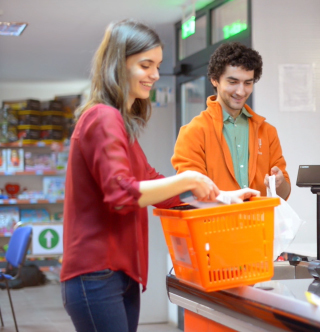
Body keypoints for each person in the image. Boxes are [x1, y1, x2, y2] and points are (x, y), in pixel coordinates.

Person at [60, 20, 258, 332]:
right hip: (97, 273)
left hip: (118, 273)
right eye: (145, 65)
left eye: (157, 65)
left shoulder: (120, 123)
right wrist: (190, 179)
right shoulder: (102, 117)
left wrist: (221, 196)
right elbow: (121, 194)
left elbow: (153, 182)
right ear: (117, 65)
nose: (154, 75)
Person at [171, 42, 291, 200]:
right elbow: (191, 191)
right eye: (233, 82)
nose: (241, 91)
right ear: (215, 80)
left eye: (248, 83)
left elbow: (284, 193)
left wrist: (279, 183)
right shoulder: (194, 131)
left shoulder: (267, 131)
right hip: (215, 223)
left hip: (260, 223)